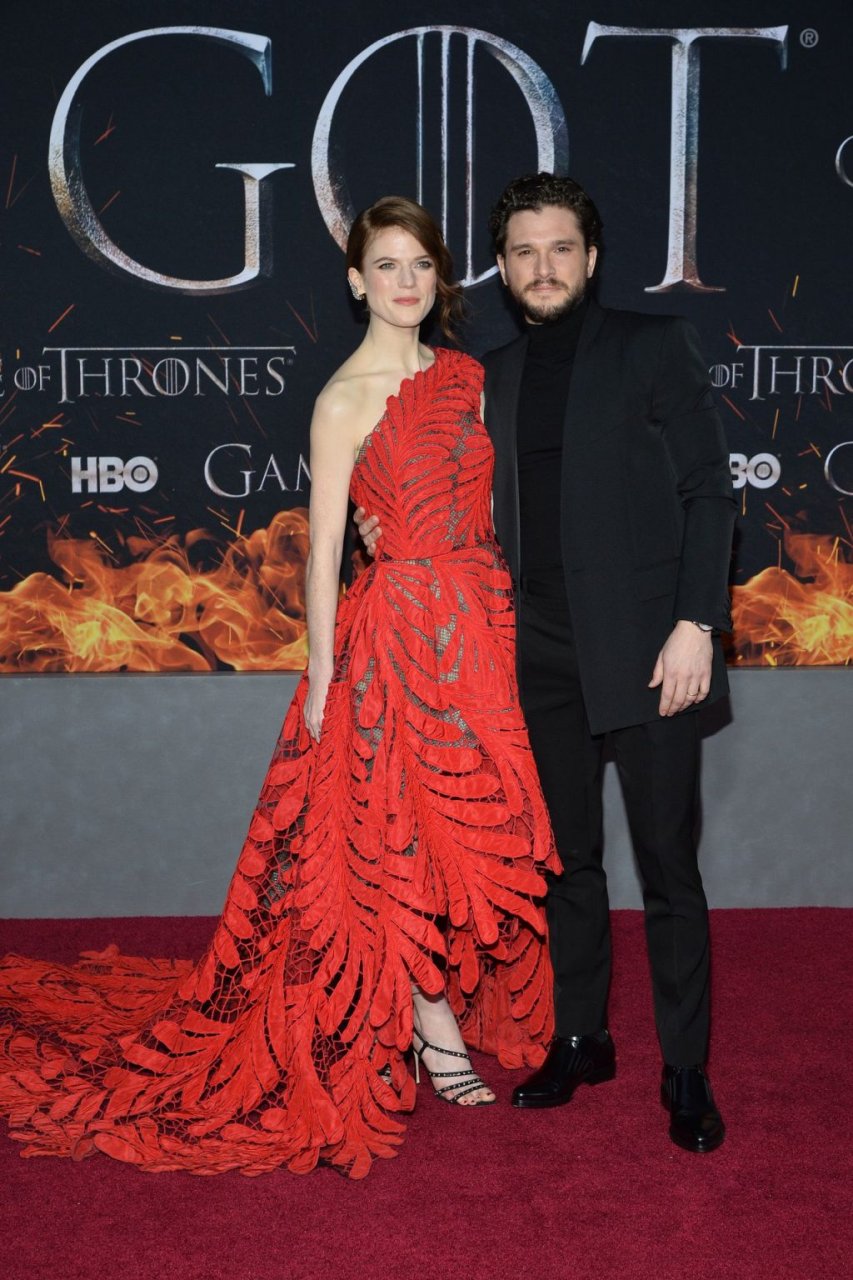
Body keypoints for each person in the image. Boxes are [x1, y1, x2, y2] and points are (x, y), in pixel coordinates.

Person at [0, 197, 559, 1179]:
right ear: (356, 282)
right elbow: (325, 547)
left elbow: (497, 498)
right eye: (385, 266)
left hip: (478, 625)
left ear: (439, 278)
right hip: (393, 641)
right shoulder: (343, 400)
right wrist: (323, 673)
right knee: (398, 835)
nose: (404, 282)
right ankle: (432, 1029)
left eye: (419, 265)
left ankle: (436, 1001)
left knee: (480, 826)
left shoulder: (470, 379)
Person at [358, 174, 737, 1154]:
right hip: (535, 654)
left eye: (559, 247)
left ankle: (685, 1069)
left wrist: (695, 623)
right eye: (523, 251)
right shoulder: (488, 376)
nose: (542, 266)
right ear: (502, 265)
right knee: (567, 862)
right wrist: (382, 526)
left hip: (653, 651)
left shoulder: (651, 346)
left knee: (668, 868)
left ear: (591, 257)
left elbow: (709, 489)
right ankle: (581, 1038)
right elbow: (448, 493)